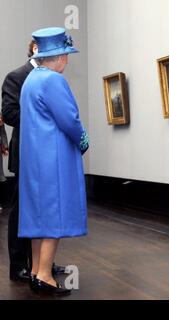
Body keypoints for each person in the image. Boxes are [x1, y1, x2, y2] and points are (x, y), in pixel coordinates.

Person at [19, 27, 89, 296]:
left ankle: (37, 271)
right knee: (53, 216)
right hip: (53, 158)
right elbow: (69, 120)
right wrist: (83, 140)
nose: (68, 60)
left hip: (34, 159)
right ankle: (46, 276)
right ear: (58, 56)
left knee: (38, 217)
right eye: (67, 54)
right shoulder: (53, 81)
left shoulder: (31, 80)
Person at [1, 40, 67, 282]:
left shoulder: (50, 76)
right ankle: (19, 265)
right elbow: (9, 114)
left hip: (48, 152)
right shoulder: (15, 76)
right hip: (27, 152)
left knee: (45, 208)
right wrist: (44, 120)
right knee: (22, 210)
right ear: (36, 50)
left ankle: (41, 266)